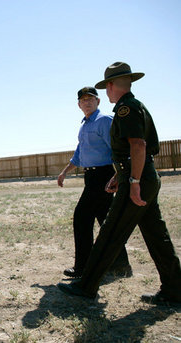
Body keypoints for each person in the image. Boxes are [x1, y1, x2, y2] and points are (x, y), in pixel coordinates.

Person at [57, 62, 181, 305]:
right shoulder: (135, 106)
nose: (107, 93)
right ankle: (175, 289)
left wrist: (132, 180)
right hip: (141, 176)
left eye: (105, 89)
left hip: (138, 179)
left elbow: (138, 145)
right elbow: (129, 151)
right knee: (156, 234)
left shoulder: (125, 109)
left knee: (110, 232)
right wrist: (120, 174)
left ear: (111, 85)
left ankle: (86, 285)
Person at [58, 87, 131, 278]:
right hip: (90, 177)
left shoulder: (104, 120)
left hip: (103, 176)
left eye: (91, 99)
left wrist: (118, 174)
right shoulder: (84, 125)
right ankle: (121, 266)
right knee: (106, 222)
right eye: (83, 100)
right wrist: (65, 172)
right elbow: (79, 154)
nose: (87, 102)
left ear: (98, 102)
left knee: (81, 218)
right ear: (79, 105)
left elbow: (116, 149)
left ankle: (83, 267)